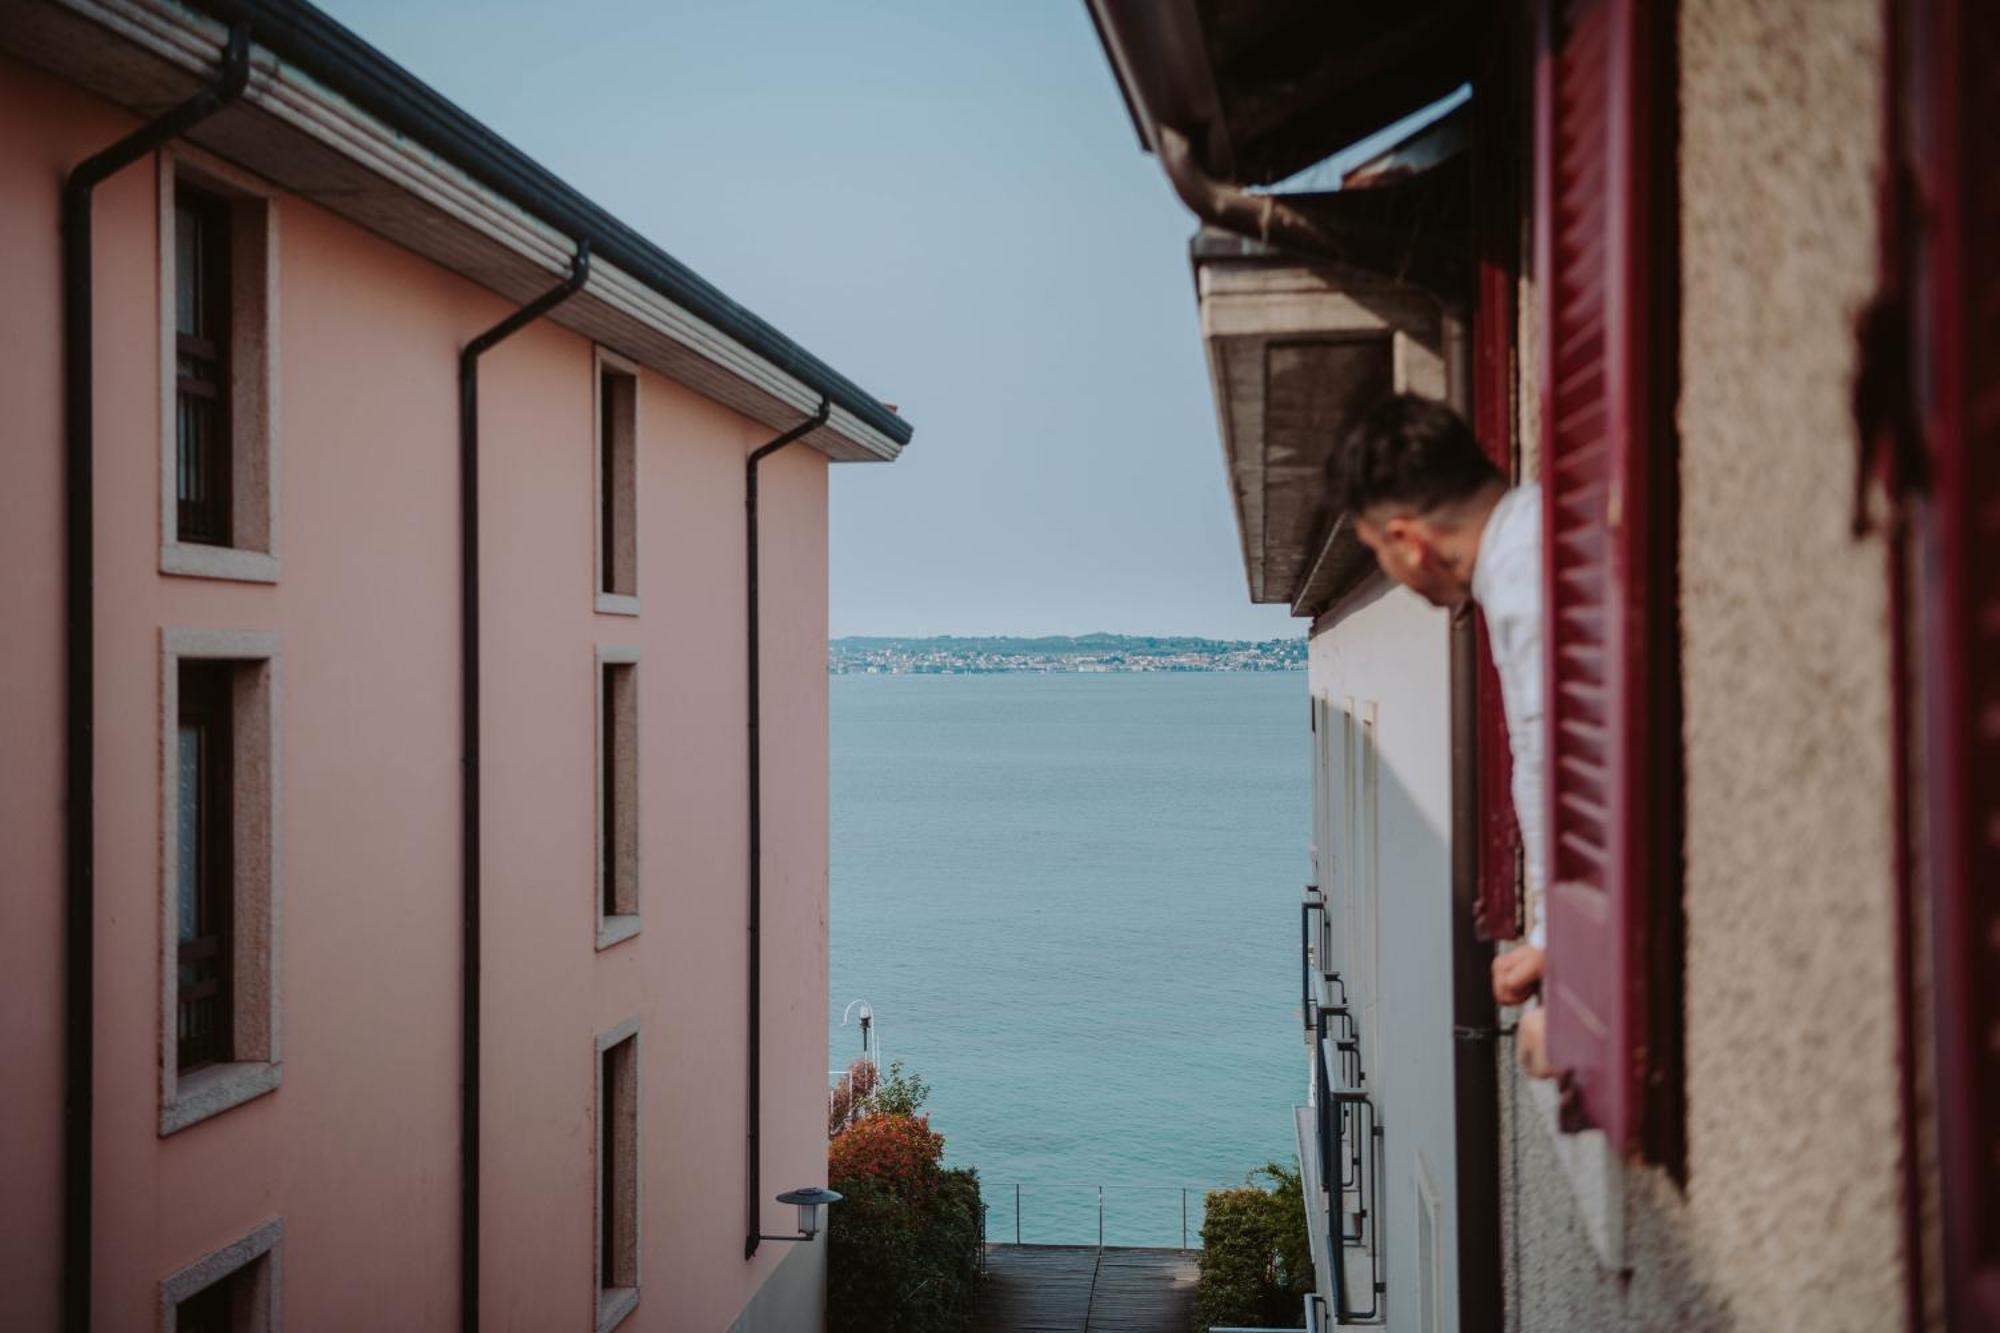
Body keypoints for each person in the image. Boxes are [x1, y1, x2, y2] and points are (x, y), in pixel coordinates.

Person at [1327, 394, 1553, 1079]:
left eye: (1376, 553)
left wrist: (1569, 970)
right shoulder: (1540, 540)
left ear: (1406, 539)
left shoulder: (1526, 585)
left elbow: (1570, 774)